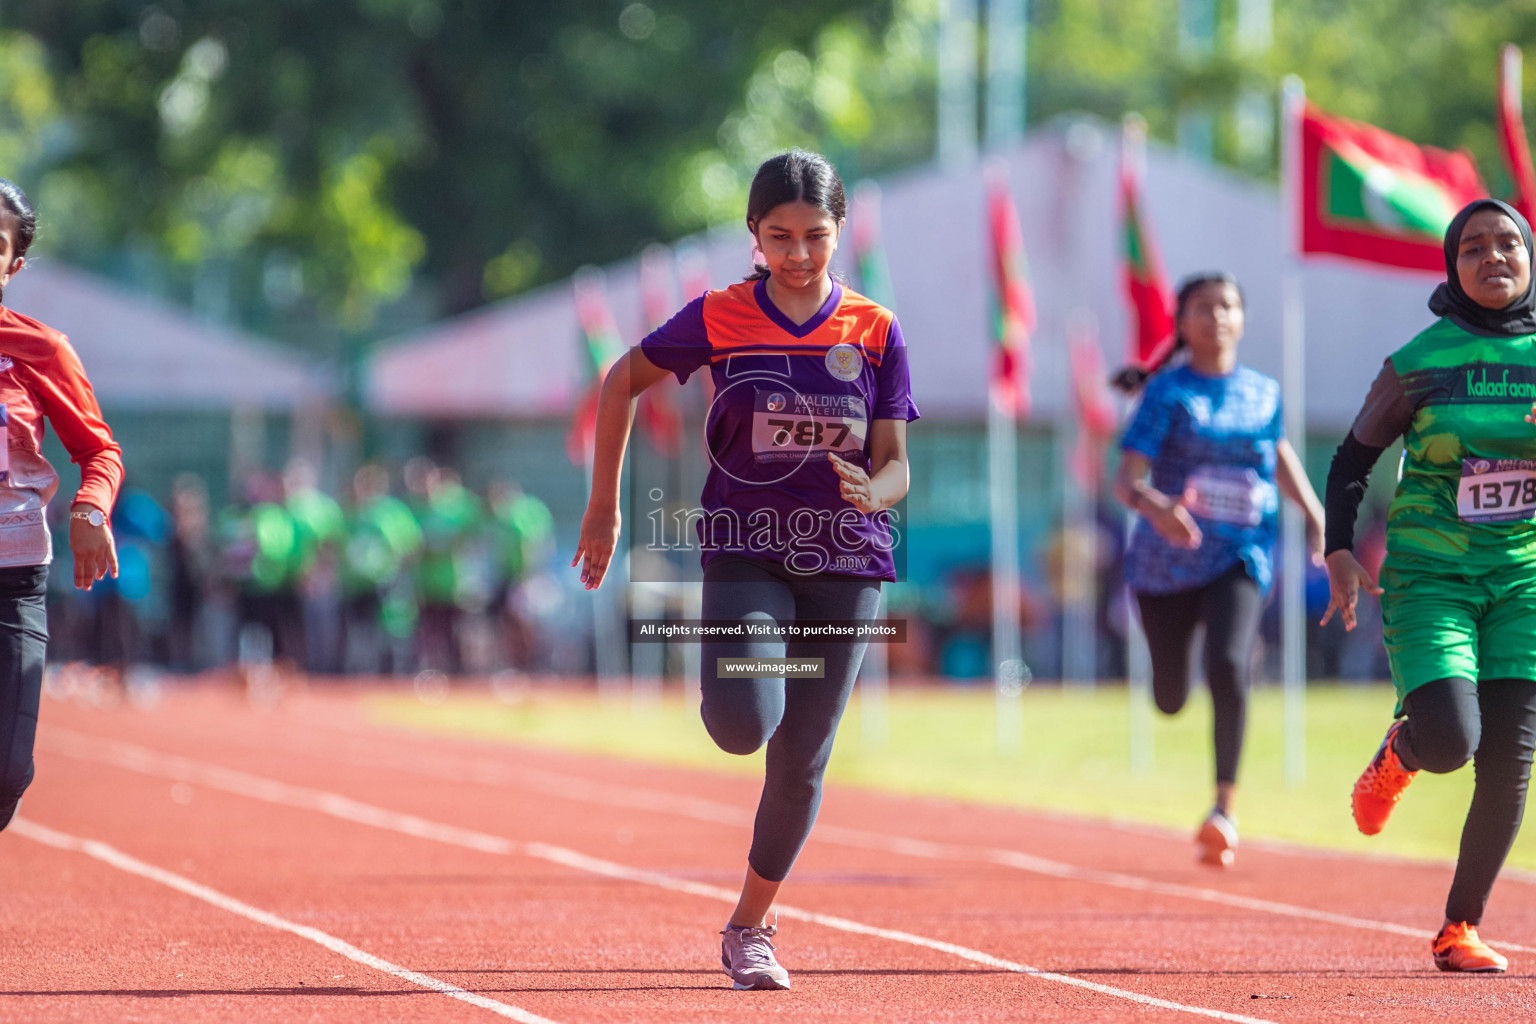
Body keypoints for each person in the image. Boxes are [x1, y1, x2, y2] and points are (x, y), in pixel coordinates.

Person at [572, 149, 917, 991]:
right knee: (739, 722)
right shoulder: (721, 315)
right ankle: (754, 680)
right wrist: (604, 507)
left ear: (839, 233)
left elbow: (898, 461)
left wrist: (874, 491)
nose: (798, 255)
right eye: (780, 237)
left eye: (815, 237)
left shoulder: (874, 329)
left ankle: (751, 925)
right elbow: (620, 381)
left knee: (801, 759)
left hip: (847, 563)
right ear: (754, 236)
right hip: (746, 549)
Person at [1324, 198, 1536, 974]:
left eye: (1508, 243)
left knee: (1512, 757)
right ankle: (1402, 750)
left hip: (1524, 577)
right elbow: (1351, 464)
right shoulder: (1421, 359)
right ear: (1453, 267)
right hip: (1430, 575)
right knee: (1452, 742)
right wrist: (1339, 553)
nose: (1494, 258)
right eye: (1474, 247)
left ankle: (1460, 926)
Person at [1112, 271, 1325, 869]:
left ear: (1243, 317)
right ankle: (1171, 686)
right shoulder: (1166, 394)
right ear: (1182, 323)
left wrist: (1313, 514)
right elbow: (1126, 481)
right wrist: (1160, 509)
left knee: (1231, 664)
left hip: (1240, 552)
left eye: (1228, 306)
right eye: (1203, 308)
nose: (1218, 317)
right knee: (1172, 697)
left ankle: (1223, 809)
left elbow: (1277, 453)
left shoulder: (1263, 392)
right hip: (1166, 561)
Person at [0, 177, 123, 830]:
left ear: (13, 265)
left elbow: (100, 451)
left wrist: (90, 511)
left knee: (8, 771)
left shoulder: (42, 349)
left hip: (12, 578)